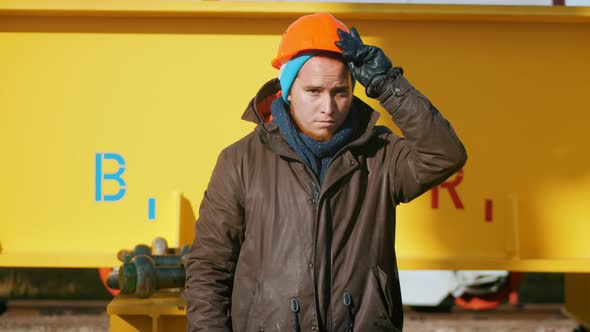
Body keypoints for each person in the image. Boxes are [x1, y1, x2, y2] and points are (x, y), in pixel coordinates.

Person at [185, 12, 467, 332]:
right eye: (314, 92)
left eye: (340, 92)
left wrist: (387, 84)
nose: (328, 108)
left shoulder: (380, 155)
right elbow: (209, 268)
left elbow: (445, 155)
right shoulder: (240, 161)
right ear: (288, 90)